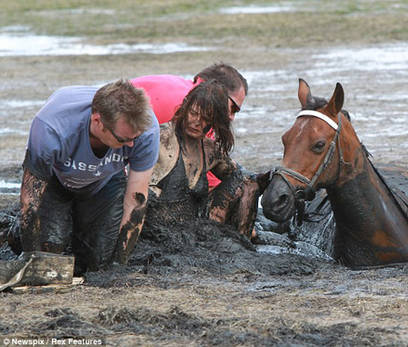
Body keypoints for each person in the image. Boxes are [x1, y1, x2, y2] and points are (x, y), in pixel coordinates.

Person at [19, 79, 160, 272]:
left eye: (135, 139)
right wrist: (32, 261)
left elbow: (136, 201)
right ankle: (13, 234)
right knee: (51, 250)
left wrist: (118, 265)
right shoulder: (51, 127)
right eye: (123, 139)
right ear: (97, 121)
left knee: (99, 262)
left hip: (105, 181)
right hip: (56, 181)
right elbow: (30, 201)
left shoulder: (146, 131)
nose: (131, 146)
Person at [143, 78, 263, 239]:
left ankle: (245, 238)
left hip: (192, 230)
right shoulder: (159, 139)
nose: (196, 122)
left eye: (206, 118)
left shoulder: (209, 150)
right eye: (193, 113)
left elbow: (244, 177)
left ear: (215, 122)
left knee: (249, 184)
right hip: (154, 231)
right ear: (185, 108)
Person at [131, 63, 248, 189]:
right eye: (233, 108)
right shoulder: (192, 109)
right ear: (217, 90)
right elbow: (202, 172)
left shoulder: (185, 92)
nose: (232, 117)